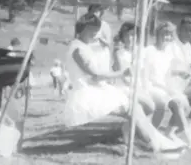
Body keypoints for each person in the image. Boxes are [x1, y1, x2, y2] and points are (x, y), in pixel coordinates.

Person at [60, 13, 183, 154]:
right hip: (87, 93)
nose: (95, 34)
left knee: (135, 107)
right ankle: (155, 144)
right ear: (82, 28)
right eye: (92, 30)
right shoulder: (78, 49)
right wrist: (122, 73)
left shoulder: (84, 46)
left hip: (96, 88)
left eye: (96, 30)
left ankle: (152, 142)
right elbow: (96, 75)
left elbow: (97, 73)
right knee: (133, 108)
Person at [143, 21, 191, 149]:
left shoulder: (167, 53)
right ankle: (189, 139)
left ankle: (168, 133)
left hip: (164, 86)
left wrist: (179, 73)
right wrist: (166, 89)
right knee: (172, 103)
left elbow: (166, 73)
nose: (167, 37)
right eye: (164, 34)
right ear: (157, 34)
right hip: (151, 86)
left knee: (184, 102)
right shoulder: (150, 50)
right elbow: (148, 75)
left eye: (169, 35)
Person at [112, 21, 155, 118]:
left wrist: (144, 88)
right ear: (122, 37)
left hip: (140, 85)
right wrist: (133, 85)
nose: (129, 38)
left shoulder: (141, 51)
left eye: (132, 35)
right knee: (150, 106)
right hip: (124, 86)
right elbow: (120, 74)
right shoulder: (118, 53)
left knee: (146, 107)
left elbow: (145, 72)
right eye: (126, 36)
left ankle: (129, 129)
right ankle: (130, 128)